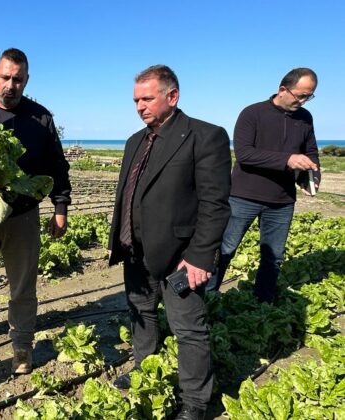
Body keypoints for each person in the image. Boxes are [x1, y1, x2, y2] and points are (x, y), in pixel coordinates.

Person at [107, 65, 231, 420]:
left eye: (147, 98)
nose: (140, 106)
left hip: (180, 256)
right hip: (136, 250)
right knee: (141, 314)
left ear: (172, 96)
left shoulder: (205, 136)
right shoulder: (135, 141)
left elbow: (215, 204)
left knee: (188, 328)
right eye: (136, 100)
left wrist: (199, 257)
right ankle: (146, 371)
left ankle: (194, 401)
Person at [0, 48, 72, 374]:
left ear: (26, 80)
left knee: (23, 283)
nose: (10, 85)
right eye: (5, 77)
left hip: (22, 214)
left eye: (17, 79)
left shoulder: (41, 118)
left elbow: (57, 166)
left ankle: (22, 343)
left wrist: (60, 207)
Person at [206, 68, 320, 302]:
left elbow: (311, 152)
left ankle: (263, 303)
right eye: (300, 95)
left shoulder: (305, 118)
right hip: (243, 196)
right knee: (224, 250)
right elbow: (245, 154)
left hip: (282, 201)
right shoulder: (252, 113)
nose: (303, 101)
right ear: (282, 89)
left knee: (273, 257)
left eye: (308, 96)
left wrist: (312, 177)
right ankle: (206, 300)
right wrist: (287, 160)